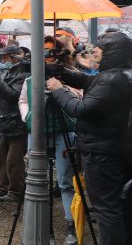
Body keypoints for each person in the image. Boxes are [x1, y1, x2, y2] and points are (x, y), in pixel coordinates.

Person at [46, 31, 132, 245]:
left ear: (111, 53)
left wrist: (58, 90)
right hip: (120, 149)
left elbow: (80, 109)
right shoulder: (121, 74)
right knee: (122, 205)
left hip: (102, 154)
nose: (94, 54)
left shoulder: (111, 80)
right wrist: (62, 73)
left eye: (98, 51)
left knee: (106, 208)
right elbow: (91, 83)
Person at [19, 36, 79, 245]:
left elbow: (79, 100)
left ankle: (72, 225)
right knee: (37, 179)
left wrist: (61, 87)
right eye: (42, 53)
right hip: (38, 133)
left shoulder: (72, 77)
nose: (46, 58)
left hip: (65, 131)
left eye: (51, 53)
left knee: (65, 180)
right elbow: (23, 100)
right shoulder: (30, 79)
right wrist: (28, 118)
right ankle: (43, 227)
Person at [0, 45, 28, 203]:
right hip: (5, 120)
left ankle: (15, 191)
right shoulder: (10, 72)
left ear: (13, 57)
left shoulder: (24, 73)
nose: (2, 61)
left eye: (4, 58)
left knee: (14, 160)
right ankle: (3, 187)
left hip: (17, 122)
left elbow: (14, 95)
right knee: (0, 158)